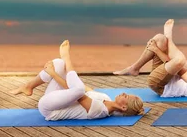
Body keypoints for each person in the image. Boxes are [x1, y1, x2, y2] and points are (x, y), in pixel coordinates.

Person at [10, 40, 144, 121]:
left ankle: (66, 56)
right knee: (59, 63)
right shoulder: (105, 97)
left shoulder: (100, 111)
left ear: (123, 107)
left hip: (49, 109)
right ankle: (29, 86)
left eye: (126, 96)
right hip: (57, 99)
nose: (123, 93)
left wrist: (52, 74)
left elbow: (75, 91)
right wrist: (55, 72)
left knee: (77, 89)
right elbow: (83, 88)